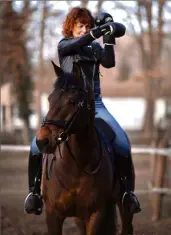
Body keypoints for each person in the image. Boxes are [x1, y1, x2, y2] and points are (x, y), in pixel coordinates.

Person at [24, 7, 141, 215]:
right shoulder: (65, 46)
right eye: (80, 27)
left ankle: (126, 194)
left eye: (88, 26)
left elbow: (110, 62)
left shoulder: (94, 49)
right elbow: (79, 42)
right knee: (35, 146)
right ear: (71, 28)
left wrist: (109, 37)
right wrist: (95, 32)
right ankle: (34, 193)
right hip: (66, 106)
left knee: (122, 142)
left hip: (95, 105)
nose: (84, 30)